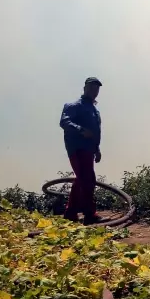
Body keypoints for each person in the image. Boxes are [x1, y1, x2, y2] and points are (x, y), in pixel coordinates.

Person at [60, 77, 103, 223]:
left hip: (89, 150)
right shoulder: (74, 105)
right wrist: (80, 130)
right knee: (87, 179)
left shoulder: (94, 111)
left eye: (96, 89)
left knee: (83, 179)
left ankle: (71, 213)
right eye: (91, 87)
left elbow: (96, 132)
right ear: (84, 88)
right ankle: (89, 214)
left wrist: (97, 149)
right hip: (77, 148)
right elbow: (65, 121)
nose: (94, 91)